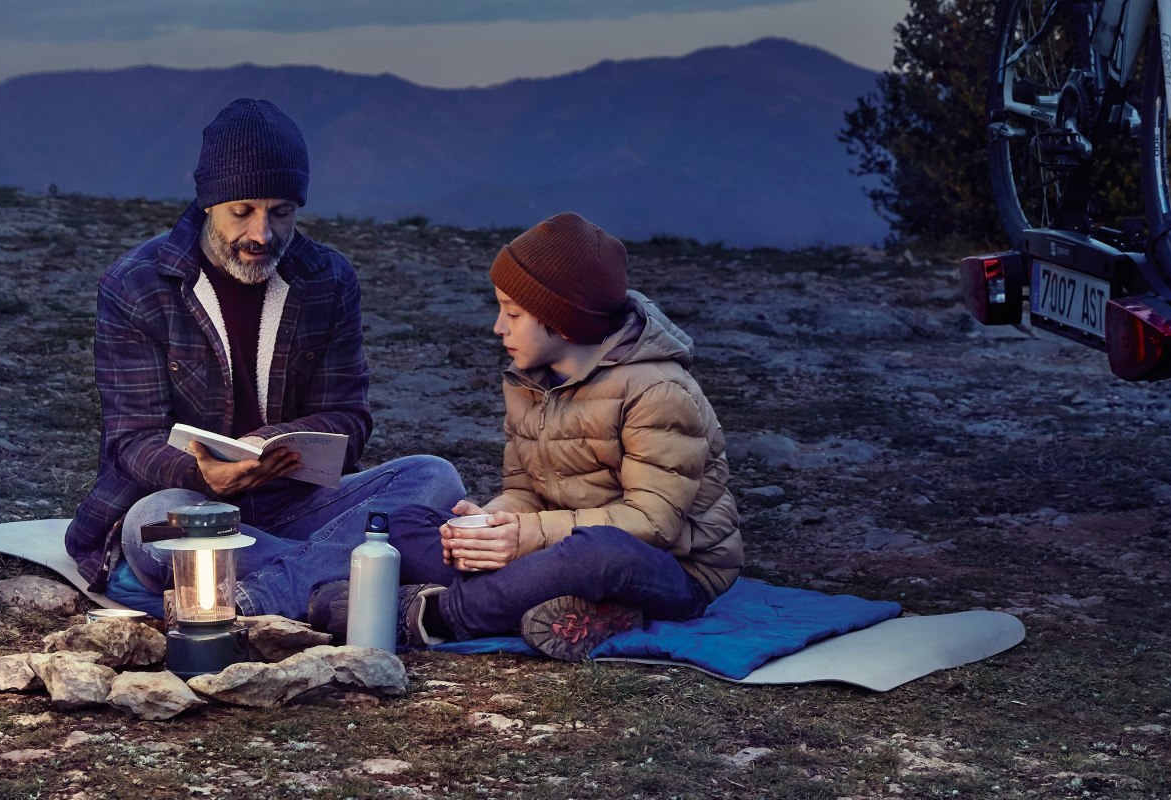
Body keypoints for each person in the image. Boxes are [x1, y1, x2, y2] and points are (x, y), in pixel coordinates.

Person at [62, 98, 466, 613]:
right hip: (192, 506)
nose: (262, 233)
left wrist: (267, 446)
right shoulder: (137, 284)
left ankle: (279, 591)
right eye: (242, 211)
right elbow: (131, 440)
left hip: (296, 503)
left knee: (434, 477)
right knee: (154, 527)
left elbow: (350, 417)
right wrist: (202, 475)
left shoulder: (328, 278)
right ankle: (356, 580)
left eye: (281, 212)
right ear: (208, 203)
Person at [308, 212, 745, 660]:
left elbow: (654, 523)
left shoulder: (658, 391)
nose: (500, 327)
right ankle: (565, 605)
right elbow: (525, 490)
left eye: (513, 313)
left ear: (565, 321)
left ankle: (433, 616)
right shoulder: (529, 380)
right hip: (554, 545)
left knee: (600, 555)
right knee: (404, 522)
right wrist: (492, 520)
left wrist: (525, 536)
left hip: (672, 569)